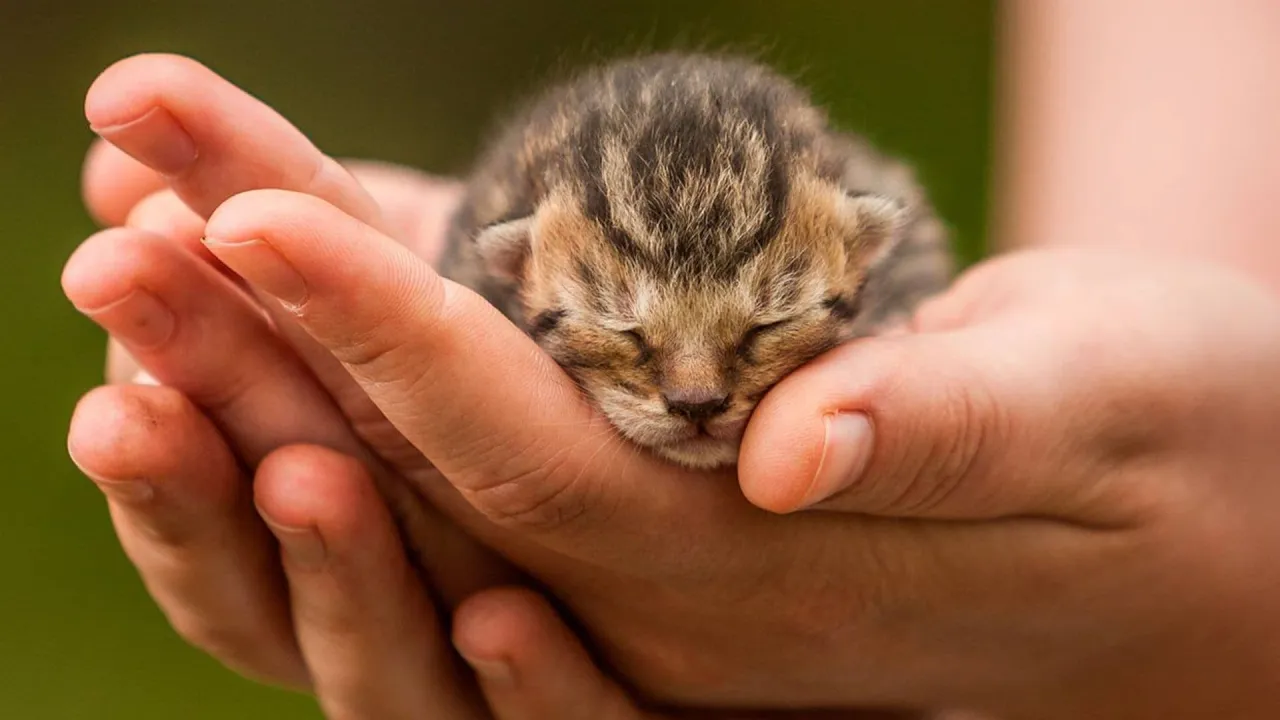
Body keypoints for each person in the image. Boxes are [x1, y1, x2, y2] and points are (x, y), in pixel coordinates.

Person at [63, 2, 1280, 718]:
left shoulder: (875, 249)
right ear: (511, 271)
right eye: (626, 336)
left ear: (855, 257)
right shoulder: (506, 251)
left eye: (761, 328)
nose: (696, 393)